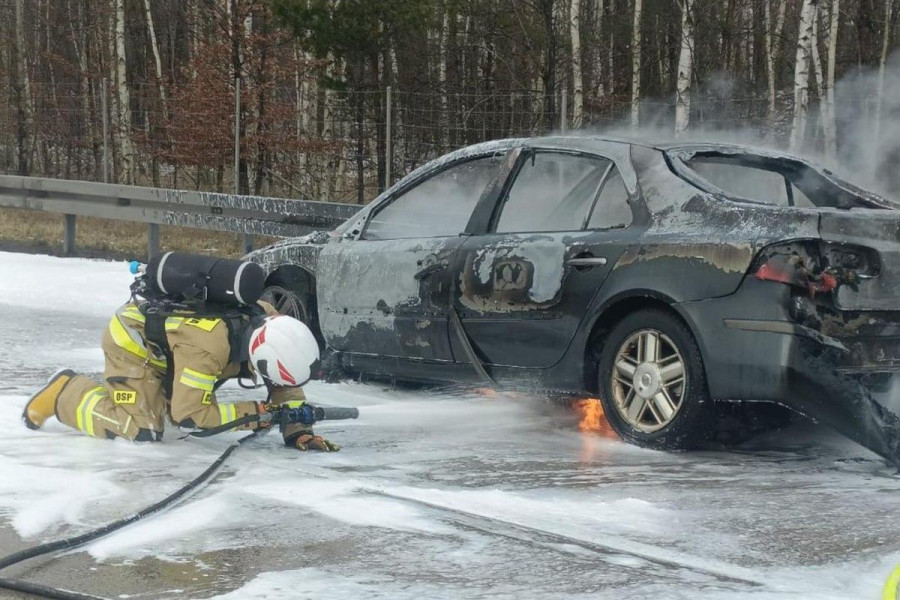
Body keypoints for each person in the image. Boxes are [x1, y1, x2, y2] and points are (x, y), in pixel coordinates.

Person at [22, 299, 340, 452]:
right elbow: (191, 416)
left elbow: (283, 380)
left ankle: (163, 390)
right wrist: (259, 413)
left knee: (182, 400)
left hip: (178, 351)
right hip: (134, 344)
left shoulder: (271, 323)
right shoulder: (207, 348)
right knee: (143, 429)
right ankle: (65, 392)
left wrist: (298, 429)